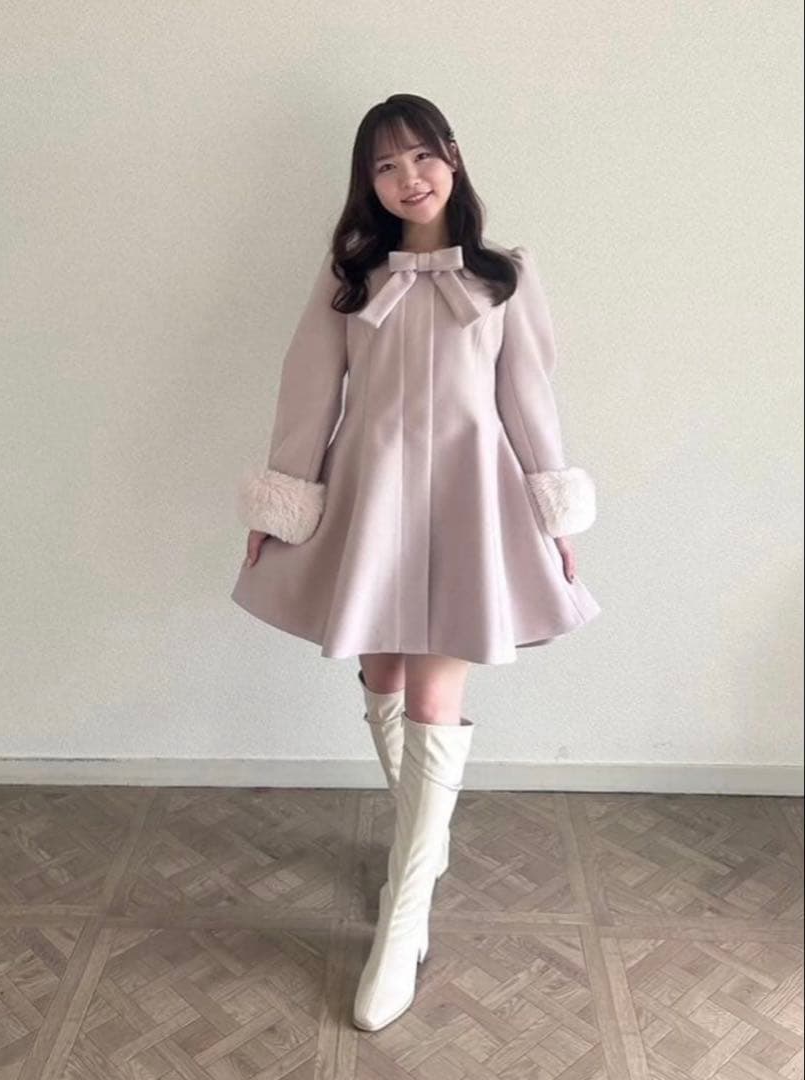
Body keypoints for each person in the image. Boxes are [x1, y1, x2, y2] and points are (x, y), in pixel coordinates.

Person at [230, 93, 602, 1030]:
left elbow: (528, 401)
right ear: (369, 183)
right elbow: (307, 392)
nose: (408, 178)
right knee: (382, 674)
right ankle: (420, 846)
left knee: (437, 698)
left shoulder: (505, 275)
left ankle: (404, 919)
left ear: (453, 157)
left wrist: (554, 510)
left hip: (470, 503)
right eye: (385, 166)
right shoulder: (349, 275)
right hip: (371, 497)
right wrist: (282, 499)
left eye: (422, 157)